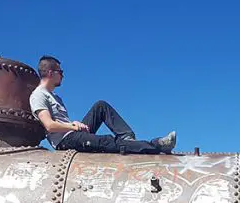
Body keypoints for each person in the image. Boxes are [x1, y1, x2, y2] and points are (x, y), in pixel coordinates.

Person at [29, 56, 176, 154]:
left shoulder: (55, 97)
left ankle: (126, 137)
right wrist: (73, 126)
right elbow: (49, 125)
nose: (63, 75)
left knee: (101, 106)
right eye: (60, 72)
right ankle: (156, 145)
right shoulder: (38, 95)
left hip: (72, 133)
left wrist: (75, 126)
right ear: (50, 72)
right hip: (65, 141)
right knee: (106, 141)